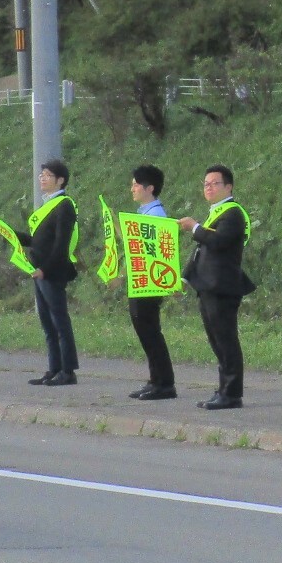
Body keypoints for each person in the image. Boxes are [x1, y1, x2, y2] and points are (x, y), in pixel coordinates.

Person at [0, 159, 79, 386]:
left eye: (47, 175)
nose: (42, 178)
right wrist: (6, 233)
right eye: (41, 175)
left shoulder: (64, 206)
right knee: (47, 323)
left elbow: (61, 244)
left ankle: (68, 371)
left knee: (60, 322)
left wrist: (45, 269)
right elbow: (35, 241)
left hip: (52, 272)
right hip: (39, 271)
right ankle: (54, 368)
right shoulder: (46, 206)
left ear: (60, 180)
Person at [179, 164, 255, 411]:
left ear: (229, 187)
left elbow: (219, 242)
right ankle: (223, 388)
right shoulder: (216, 212)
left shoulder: (233, 213)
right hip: (208, 285)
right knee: (216, 340)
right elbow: (202, 251)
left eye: (215, 183)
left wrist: (195, 228)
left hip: (223, 286)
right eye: (206, 184)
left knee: (226, 339)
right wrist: (185, 278)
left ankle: (232, 393)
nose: (209, 188)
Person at [126, 165, 176, 400]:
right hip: (140, 280)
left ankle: (164, 383)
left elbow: (156, 253)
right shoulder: (146, 212)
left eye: (136, 184)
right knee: (145, 331)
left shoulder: (156, 215)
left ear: (150, 188)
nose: (132, 189)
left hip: (149, 282)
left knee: (150, 331)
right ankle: (155, 379)